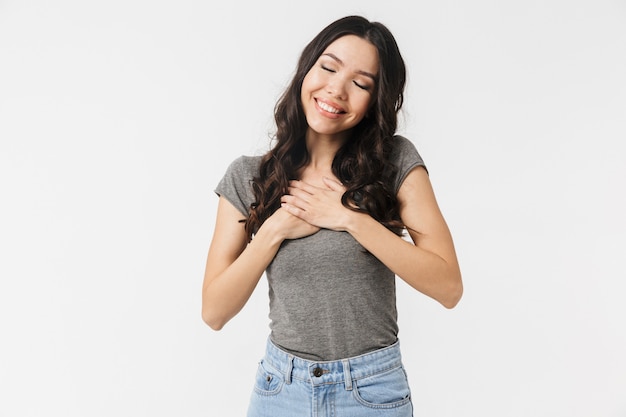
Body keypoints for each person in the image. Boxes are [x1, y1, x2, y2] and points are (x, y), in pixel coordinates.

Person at [201, 15, 462, 417]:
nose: (336, 90)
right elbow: (214, 312)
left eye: (360, 84)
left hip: (372, 393)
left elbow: (449, 287)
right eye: (328, 67)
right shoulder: (248, 176)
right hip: (280, 391)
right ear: (306, 70)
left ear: (375, 100)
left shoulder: (395, 163)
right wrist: (273, 231)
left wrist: (350, 219)